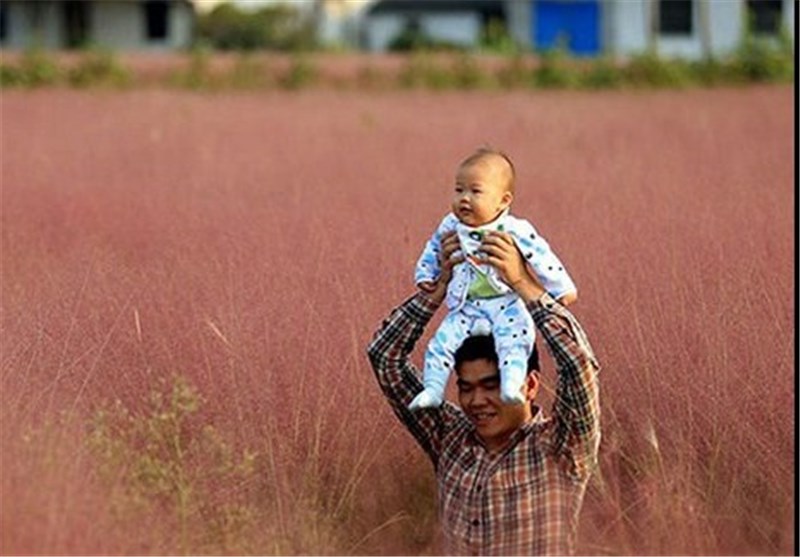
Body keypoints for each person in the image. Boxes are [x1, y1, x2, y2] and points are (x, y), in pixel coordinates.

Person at [366, 229, 600, 555]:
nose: (476, 401)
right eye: (466, 388)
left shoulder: (562, 447)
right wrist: (438, 289)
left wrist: (523, 283)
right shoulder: (448, 437)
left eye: (492, 386)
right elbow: (385, 356)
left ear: (530, 385)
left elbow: (579, 365)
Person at [410, 148, 577, 410]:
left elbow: (541, 256)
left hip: (504, 305)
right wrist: (427, 276)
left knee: (514, 342)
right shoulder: (450, 226)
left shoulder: (513, 229)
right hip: (465, 306)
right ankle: (432, 389)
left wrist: (561, 288)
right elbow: (432, 249)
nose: (464, 199)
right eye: (458, 190)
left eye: (475, 191)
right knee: (440, 344)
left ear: (503, 201)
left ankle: (511, 385)